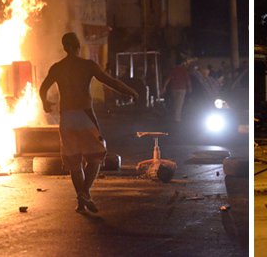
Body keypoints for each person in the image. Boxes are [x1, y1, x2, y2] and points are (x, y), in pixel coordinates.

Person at [40, 33, 140, 213]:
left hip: (66, 119)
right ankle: (85, 193)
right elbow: (111, 82)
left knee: (74, 162)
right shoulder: (87, 65)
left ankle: (81, 201)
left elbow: (43, 88)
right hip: (85, 117)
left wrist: (45, 103)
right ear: (78, 46)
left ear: (64, 47)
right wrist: (130, 91)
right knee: (96, 156)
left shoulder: (57, 67)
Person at [163, 58, 190, 122]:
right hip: (182, 88)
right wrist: (189, 87)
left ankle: (175, 116)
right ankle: (177, 118)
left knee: (176, 103)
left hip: (174, 88)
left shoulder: (173, 70)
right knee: (179, 104)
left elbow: (168, 79)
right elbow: (188, 80)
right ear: (182, 63)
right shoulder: (184, 70)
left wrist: (164, 86)